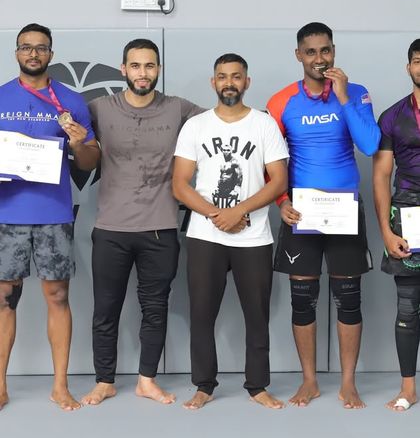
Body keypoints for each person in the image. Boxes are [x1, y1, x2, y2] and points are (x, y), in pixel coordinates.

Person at [82, 39, 202, 406]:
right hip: (111, 229)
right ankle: (104, 381)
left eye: (149, 66)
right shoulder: (99, 108)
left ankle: (146, 381)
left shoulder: (179, 108)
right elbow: (68, 135)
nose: (142, 73)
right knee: (105, 310)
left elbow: (227, 122)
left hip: (159, 228)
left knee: (155, 309)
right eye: (135, 66)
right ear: (123, 69)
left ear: (158, 70)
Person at [267, 22, 381, 409]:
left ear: (334, 51)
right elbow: (270, 160)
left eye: (326, 50)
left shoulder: (356, 92)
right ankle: (310, 381)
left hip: (344, 210)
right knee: (303, 299)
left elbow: (370, 145)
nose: (320, 58)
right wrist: (281, 200)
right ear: (299, 55)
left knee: (349, 298)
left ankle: (348, 383)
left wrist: (344, 96)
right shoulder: (281, 101)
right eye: (312, 51)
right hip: (302, 213)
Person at [172, 53, 289, 410]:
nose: (229, 83)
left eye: (236, 76)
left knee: (257, 315)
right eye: (222, 76)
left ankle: (258, 386)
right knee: (201, 314)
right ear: (213, 82)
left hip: (253, 236)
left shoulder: (264, 125)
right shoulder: (196, 126)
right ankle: (204, 385)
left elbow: (279, 180)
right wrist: (216, 214)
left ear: (246, 82)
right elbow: (180, 184)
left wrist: (239, 211)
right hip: (206, 235)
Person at [0, 23, 100, 411]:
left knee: (58, 296)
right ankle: (1, 385)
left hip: (53, 214)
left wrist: (78, 143)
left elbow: (89, 161)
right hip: (7, 214)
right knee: (5, 300)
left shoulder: (70, 101)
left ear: (51, 54)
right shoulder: (1, 96)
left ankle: (60, 386)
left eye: (41, 48)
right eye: (26, 47)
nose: (33, 53)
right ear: (16, 53)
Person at [373, 39, 420, 411]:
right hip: (407, 213)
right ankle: (408, 389)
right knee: (408, 306)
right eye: (418, 61)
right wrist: (386, 232)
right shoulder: (391, 116)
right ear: (408, 67)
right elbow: (381, 175)